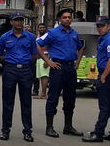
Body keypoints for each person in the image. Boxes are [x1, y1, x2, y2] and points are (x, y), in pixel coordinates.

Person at [36, 8, 85, 138]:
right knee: (53, 97)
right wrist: (48, 60)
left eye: (69, 17)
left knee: (70, 98)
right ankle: (49, 127)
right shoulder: (52, 33)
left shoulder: (74, 33)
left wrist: (78, 62)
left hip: (70, 69)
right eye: (65, 17)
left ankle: (68, 126)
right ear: (59, 19)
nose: (68, 19)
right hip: (58, 67)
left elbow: (81, 48)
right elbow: (37, 44)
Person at [0, 11, 38, 141]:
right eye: (16, 20)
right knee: (8, 102)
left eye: (21, 20)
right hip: (10, 70)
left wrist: (25, 63)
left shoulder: (30, 37)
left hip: (25, 70)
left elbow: (34, 54)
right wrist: (8, 62)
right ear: (11, 22)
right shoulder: (5, 37)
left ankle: (27, 131)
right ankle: (5, 130)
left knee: (26, 102)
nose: (19, 22)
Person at [84, 17, 110, 143]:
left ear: (108, 26)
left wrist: (103, 76)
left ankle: (98, 132)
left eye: (102, 26)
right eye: (98, 26)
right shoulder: (103, 39)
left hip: (106, 74)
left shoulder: (109, 40)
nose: (99, 28)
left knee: (104, 105)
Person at [33, 23, 50, 98]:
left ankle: (43, 94)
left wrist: (47, 60)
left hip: (45, 58)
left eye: (43, 27)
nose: (42, 29)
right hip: (39, 59)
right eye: (40, 28)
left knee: (44, 76)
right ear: (38, 29)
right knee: (40, 76)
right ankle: (42, 93)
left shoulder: (48, 37)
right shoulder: (37, 36)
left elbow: (51, 48)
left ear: (46, 29)